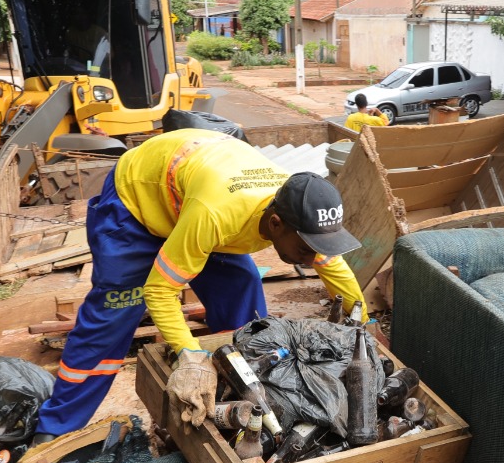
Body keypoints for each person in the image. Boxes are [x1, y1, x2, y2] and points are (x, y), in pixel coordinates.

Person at [33, 128, 366, 439]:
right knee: (114, 315)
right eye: (306, 250)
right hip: (136, 202)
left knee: (243, 288)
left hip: (195, 196)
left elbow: (334, 270)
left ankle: (243, 400)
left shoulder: (300, 214)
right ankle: (55, 426)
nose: (312, 260)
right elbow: (159, 291)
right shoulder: (217, 215)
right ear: (276, 224)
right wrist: (190, 355)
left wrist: (363, 325)